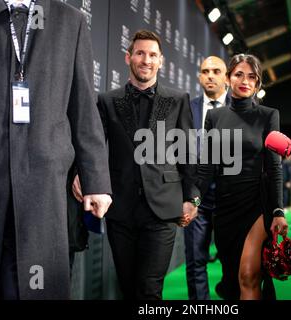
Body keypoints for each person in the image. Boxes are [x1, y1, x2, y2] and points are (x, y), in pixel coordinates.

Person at [0, 0, 112, 299]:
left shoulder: (70, 22)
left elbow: (83, 105)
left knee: (34, 286)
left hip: (44, 186)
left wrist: (96, 180)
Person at [73, 29, 199, 300]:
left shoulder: (177, 100)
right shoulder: (108, 101)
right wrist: (81, 174)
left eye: (153, 55)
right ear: (128, 57)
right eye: (140, 53)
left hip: (163, 209)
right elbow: (92, 145)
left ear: (161, 61)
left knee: (149, 289)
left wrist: (192, 198)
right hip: (121, 208)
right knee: (128, 287)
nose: (146, 60)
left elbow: (188, 152)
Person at [197, 53, 288, 300]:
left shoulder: (269, 115)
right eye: (239, 74)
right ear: (228, 78)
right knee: (232, 279)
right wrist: (193, 201)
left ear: (258, 84)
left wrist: (278, 210)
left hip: (257, 205)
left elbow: (274, 167)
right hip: (225, 208)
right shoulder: (214, 117)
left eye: (252, 77)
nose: (245, 81)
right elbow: (207, 166)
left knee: (248, 275)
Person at [184, 56, 230, 300]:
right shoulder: (186, 107)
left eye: (216, 71)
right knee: (195, 259)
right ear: (199, 77)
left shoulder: (241, 108)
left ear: (227, 77)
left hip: (230, 196)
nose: (210, 75)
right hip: (196, 197)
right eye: (205, 71)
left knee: (232, 262)